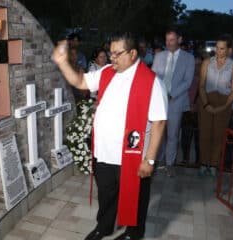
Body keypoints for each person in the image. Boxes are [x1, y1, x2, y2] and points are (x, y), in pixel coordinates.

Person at [52, 32, 167, 240]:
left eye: (116, 54)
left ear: (132, 53)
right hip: (104, 152)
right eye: (110, 53)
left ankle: (134, 233)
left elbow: (159, 122)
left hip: (133, 154)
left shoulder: (151, 82)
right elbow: (79, 81)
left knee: (136, 196)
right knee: (106, 194)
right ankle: (103, 227)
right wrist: (63, 63)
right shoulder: (106, 72)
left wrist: (149, 160)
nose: (111, 58)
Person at [151, 28, 195, 177]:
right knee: (158, 132)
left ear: (179, 40)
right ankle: (159, 160)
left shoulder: (188, 58)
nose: (168, 43)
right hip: (159, 101)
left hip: (176, 101)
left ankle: (170, 163)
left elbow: (187, 82)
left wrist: (171, 95)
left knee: (173, 134)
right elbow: (153, 77)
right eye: (167, 40)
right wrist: (159, 94)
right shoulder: (159, 56)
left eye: (172, 40)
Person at [198, 34, 233, 177]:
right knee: (205, 134)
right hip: (206, 101)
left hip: (224, 102)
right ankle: (203, 164)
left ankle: (214, 165)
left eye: (221, 48)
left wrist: (224, 106)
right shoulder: (207, 62)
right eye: (217, 47)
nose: (218, 51)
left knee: (219, 136)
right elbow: (201, 86)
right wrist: (206, 104)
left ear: (229, 50)